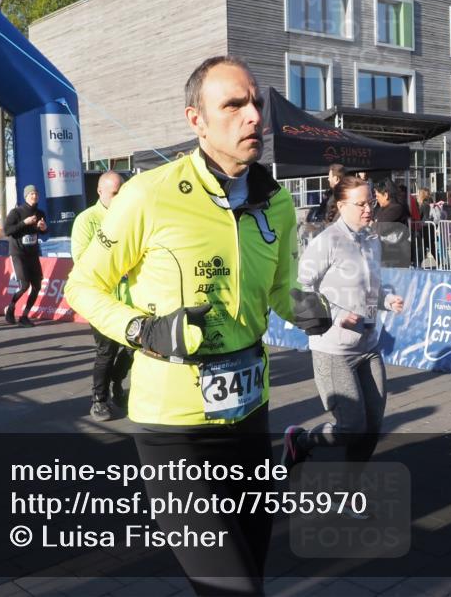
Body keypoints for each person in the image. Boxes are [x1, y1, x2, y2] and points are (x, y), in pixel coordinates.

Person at [64, 55, 330, 596]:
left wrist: (303, 306)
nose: (253, 115)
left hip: (249, 414)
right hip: (172, 426)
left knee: (252, 567)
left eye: (255, 102)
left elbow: (279, 288)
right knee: (230, 587)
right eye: (233, 105)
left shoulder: (275, 201)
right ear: (197, 121)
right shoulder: (148, 194)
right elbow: (82, 286)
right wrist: (142, 330)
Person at [281, 175, 405, 476]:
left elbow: (372, 284)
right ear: (341, 205)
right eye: (360, 204)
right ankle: (302, 440)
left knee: (372, 426)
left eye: (370, 202)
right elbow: (300, 289)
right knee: (352, 426)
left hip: (369, 345)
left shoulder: (372, 238)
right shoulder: (327, 241)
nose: (368, 209)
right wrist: (336, 314)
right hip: (333, 348)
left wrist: (388, 300)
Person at [70, 171, 133, 421]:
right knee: (106, 351)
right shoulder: (86, 220)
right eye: (115, 193)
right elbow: (82, 260)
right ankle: (99, 399)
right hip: (101, 300)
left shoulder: (130, 217)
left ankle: (117, 382)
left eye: (122, 192)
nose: (119, 198)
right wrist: (120, 267)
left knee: (135, 349)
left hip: (130, 299)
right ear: (100, 192)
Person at [3, 184, 47, 327]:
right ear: (26, 196)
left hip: (32, 254)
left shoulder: (40, 213)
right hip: (18, 253)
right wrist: (24, 222)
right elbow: (7, 230)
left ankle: (24, 316)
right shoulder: (16, 212)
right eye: (31, 194)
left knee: (37, 286)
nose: (34, 196)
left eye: (36, 194)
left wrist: (43, 228)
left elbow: (43, 232)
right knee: (24, 285)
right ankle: (10, 307)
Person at [373, 180, 410, 268]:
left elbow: (381, 229)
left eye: (378, 196)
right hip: (387, 252)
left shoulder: (396, 208)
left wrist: (371, 224)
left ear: (385, 195)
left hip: (395, 253)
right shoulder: (382, 208)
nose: (376, 199)